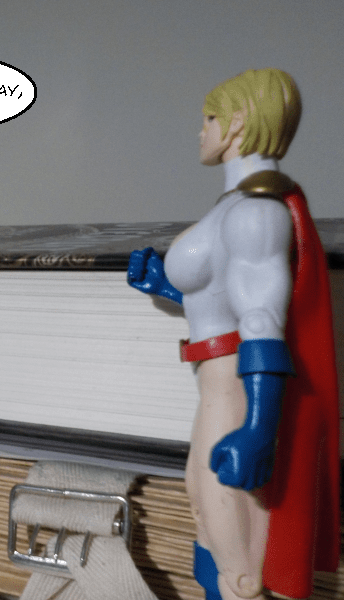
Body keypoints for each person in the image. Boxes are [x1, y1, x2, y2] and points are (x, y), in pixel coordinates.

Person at [128, 69, 339, 600]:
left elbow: (262, 320)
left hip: (235, 391)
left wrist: (260, 429)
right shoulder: (237, 206)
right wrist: (164, 286)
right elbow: (222, 303)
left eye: (211, 117)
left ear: (240, 120)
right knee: (206, 512)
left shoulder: (257, 212)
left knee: (234, 546)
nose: (202, 130)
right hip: (215, 386)